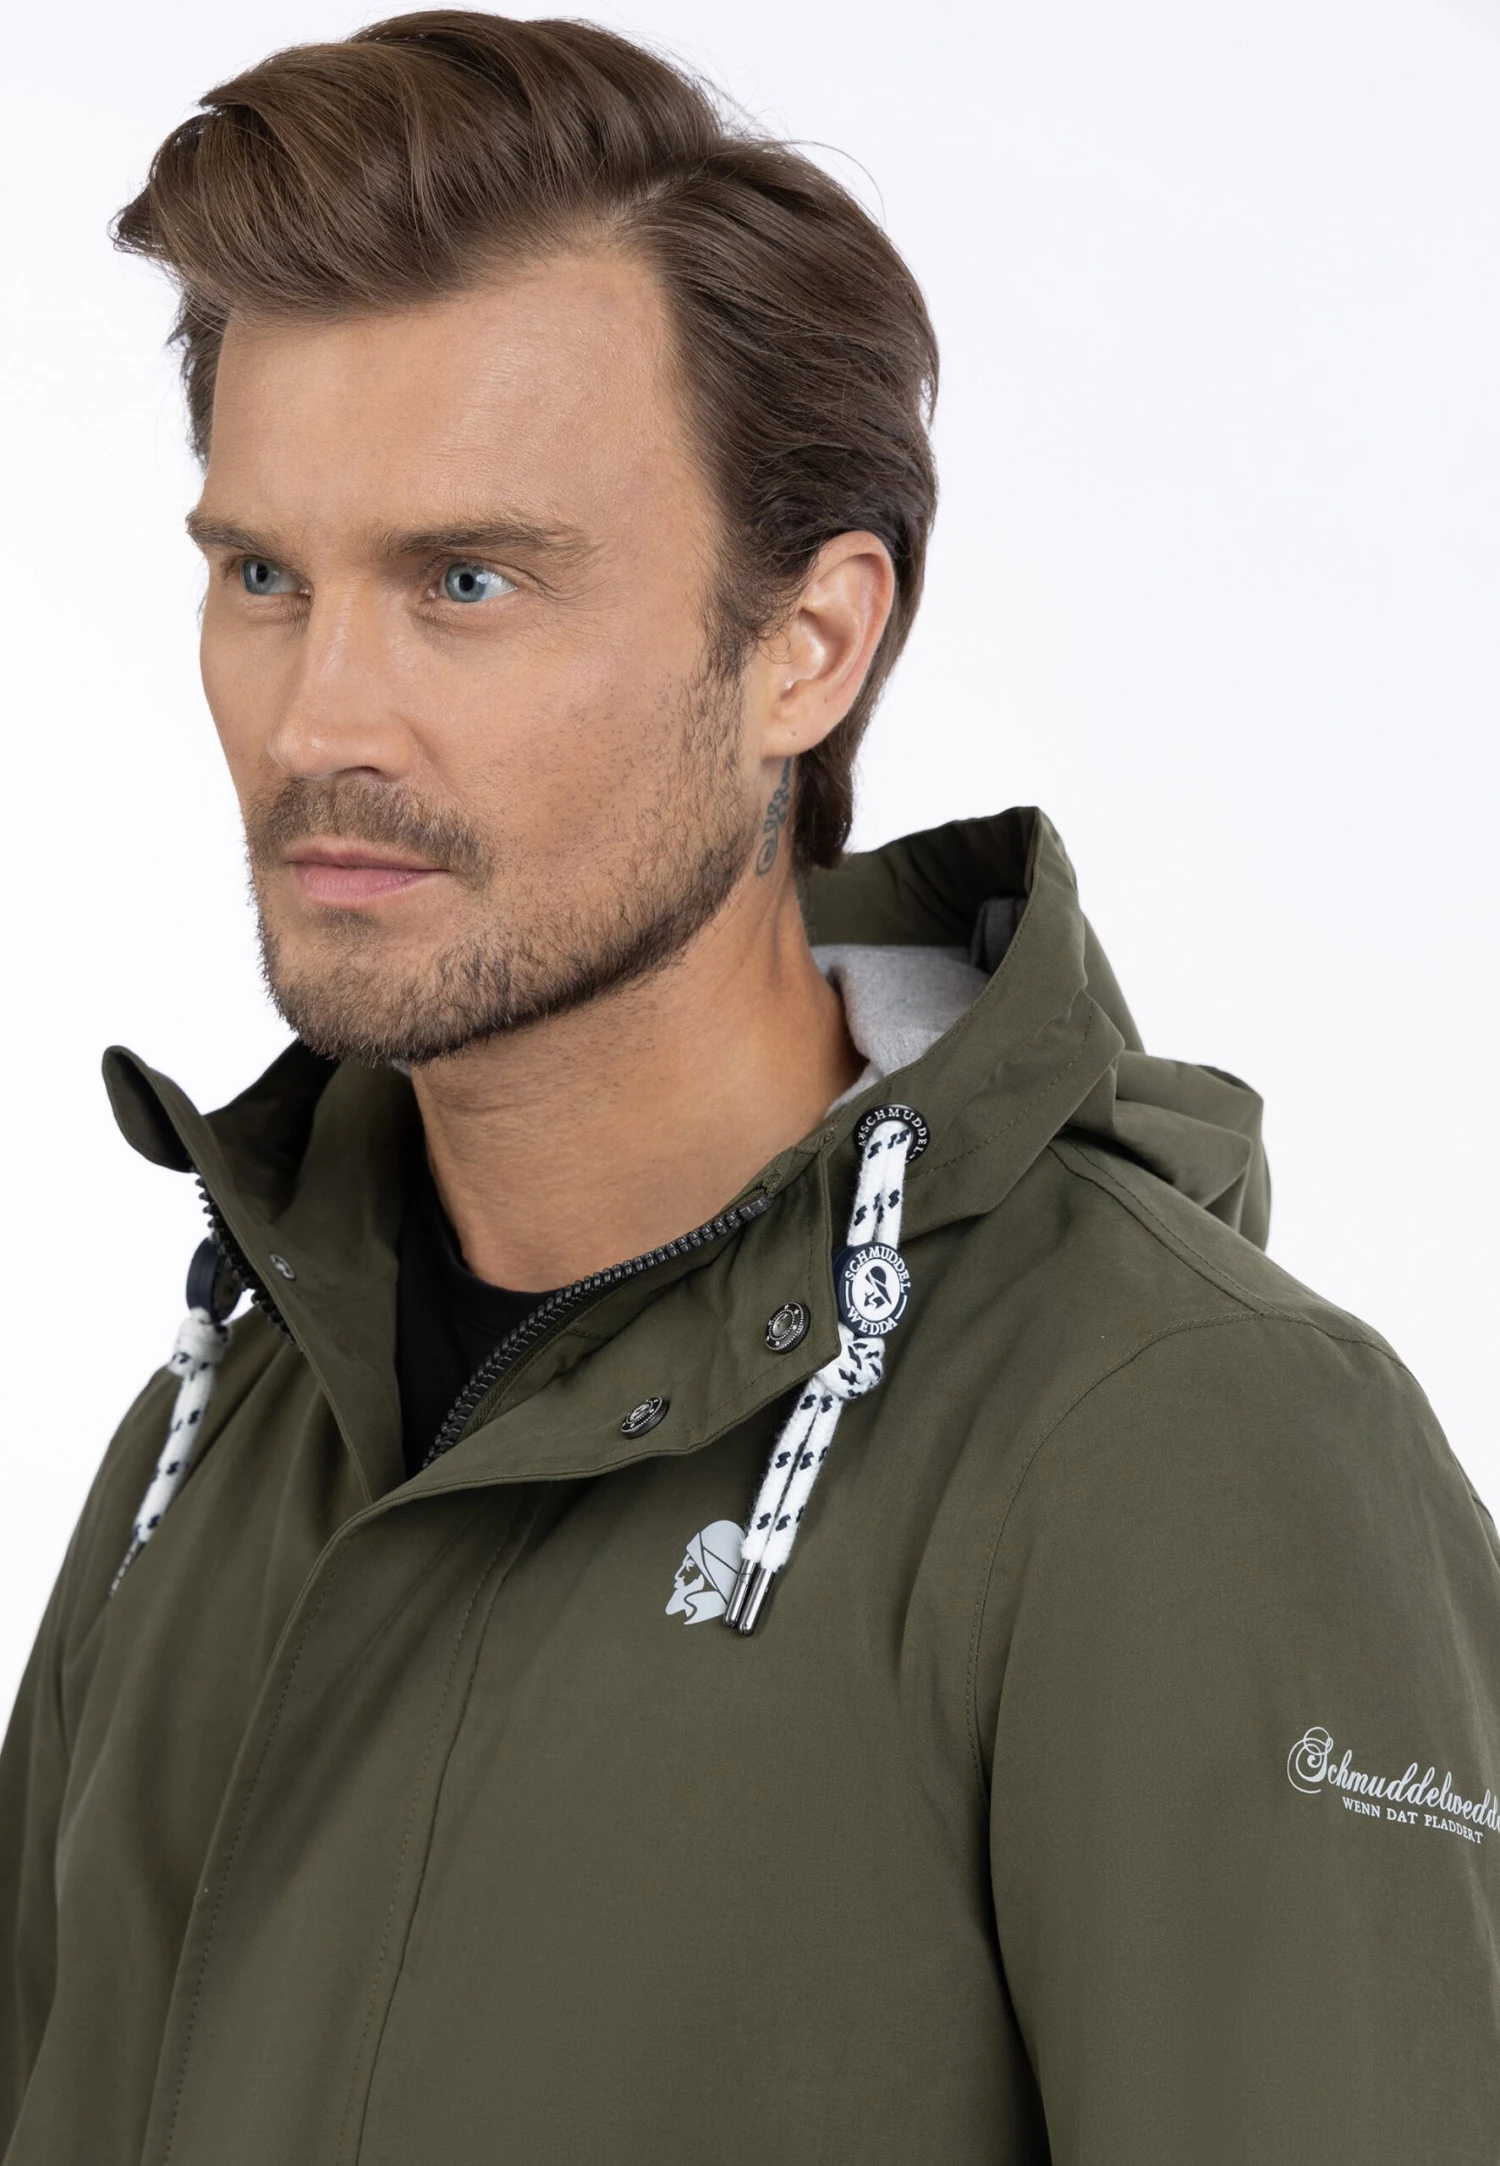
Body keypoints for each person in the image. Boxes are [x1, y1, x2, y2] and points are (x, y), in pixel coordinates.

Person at [2, 13, 1496, 2162]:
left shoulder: (1177, 1447)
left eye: (468, 581)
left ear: (808, 643)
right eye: (262, 575)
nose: (321, 717)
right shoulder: (222, 1425)